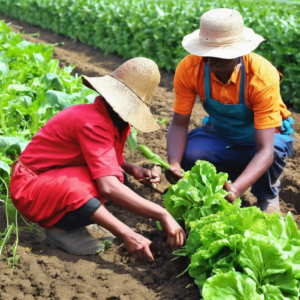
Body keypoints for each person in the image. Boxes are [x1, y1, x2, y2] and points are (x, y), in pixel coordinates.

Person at [10, 57, 185, 261]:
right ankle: (59, 230)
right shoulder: (93, 123)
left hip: (50, 179)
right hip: (29, 188)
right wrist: (156, 217)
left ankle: (76, 221)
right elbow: (108, 187)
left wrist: (131, 168)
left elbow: (106, 159)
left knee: (113, 177)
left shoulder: (115, 122)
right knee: (90, 185)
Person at [166, 8, 294, 214]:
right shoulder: (189, 69)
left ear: (240, 53)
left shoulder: (261, 75)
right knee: (191, 154)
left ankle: (266, 195)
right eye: (206, 54)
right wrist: (174, 163)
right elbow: (179, 123)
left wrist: (237, 189)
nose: (211, 63)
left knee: (276, 150)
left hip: (261, 139)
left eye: (220, 57)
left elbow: (265, 150)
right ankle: (220, 186)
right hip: (220, 133)